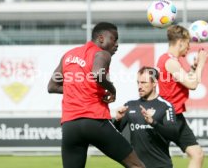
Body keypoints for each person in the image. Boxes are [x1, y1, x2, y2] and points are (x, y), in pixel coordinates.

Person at [47, 22, 145, 168]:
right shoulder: (101, 53)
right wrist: (112, 90)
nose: (117, 44)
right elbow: (97, 73)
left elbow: (52, 86)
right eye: (114, 38)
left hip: (70, 125)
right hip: (95, 120)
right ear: (100, 38)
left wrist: (77, 86)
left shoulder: (68, 55)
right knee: (136, 165)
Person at [157, 24, 208, 168]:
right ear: (180, 43)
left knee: (197, 154)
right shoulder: (170, 62)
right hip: (165, 118)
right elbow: (192, 85)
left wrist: (193, 68)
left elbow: (187, 82)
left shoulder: (171, 60)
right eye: (187, 43)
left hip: (176, 116)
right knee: (160, 163)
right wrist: (201, 65)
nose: (189, 47)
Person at [114, 66, 179, 168]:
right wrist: (117, 120)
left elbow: (174, 134)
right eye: (138, 83)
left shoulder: (165, 106)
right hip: (137, 165)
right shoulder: (130, 105)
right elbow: (114, 133)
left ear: (154, 83)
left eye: (143, 83)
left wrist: (153, 122)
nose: (139, 86)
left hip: (161, 165)